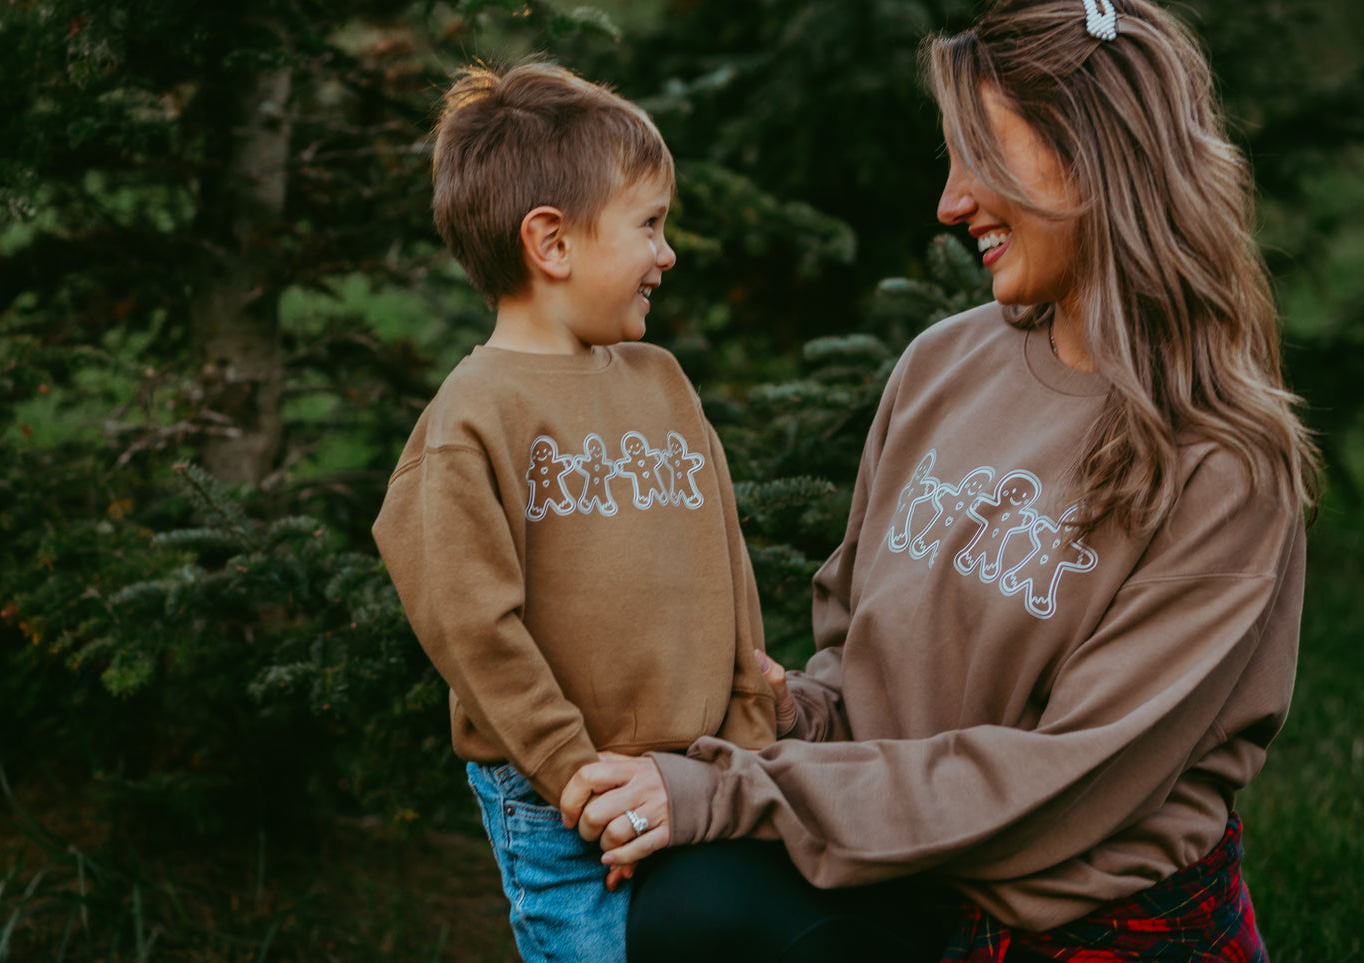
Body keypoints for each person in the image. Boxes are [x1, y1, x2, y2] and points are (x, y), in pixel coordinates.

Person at [559, 1, 1320, 960]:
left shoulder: (1222, 462)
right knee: (683, 898)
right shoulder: (942, 363)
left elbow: (1066, 779)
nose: (950, 202)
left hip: (1076, 917)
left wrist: (733, 791)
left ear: (1093, 156)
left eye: (980, 158)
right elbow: (856, 666)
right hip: (905, 861)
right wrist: (781, 710)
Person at [370, 60, 776, 963]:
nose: (665, 254)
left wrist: (748, 728)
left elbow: (727, 556)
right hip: (559, 800)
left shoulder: (661, 382)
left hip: (692, 777)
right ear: (551, 243)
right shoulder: (475, 414)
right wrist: (571, 773)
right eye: (649, 225)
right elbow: (470, 622)